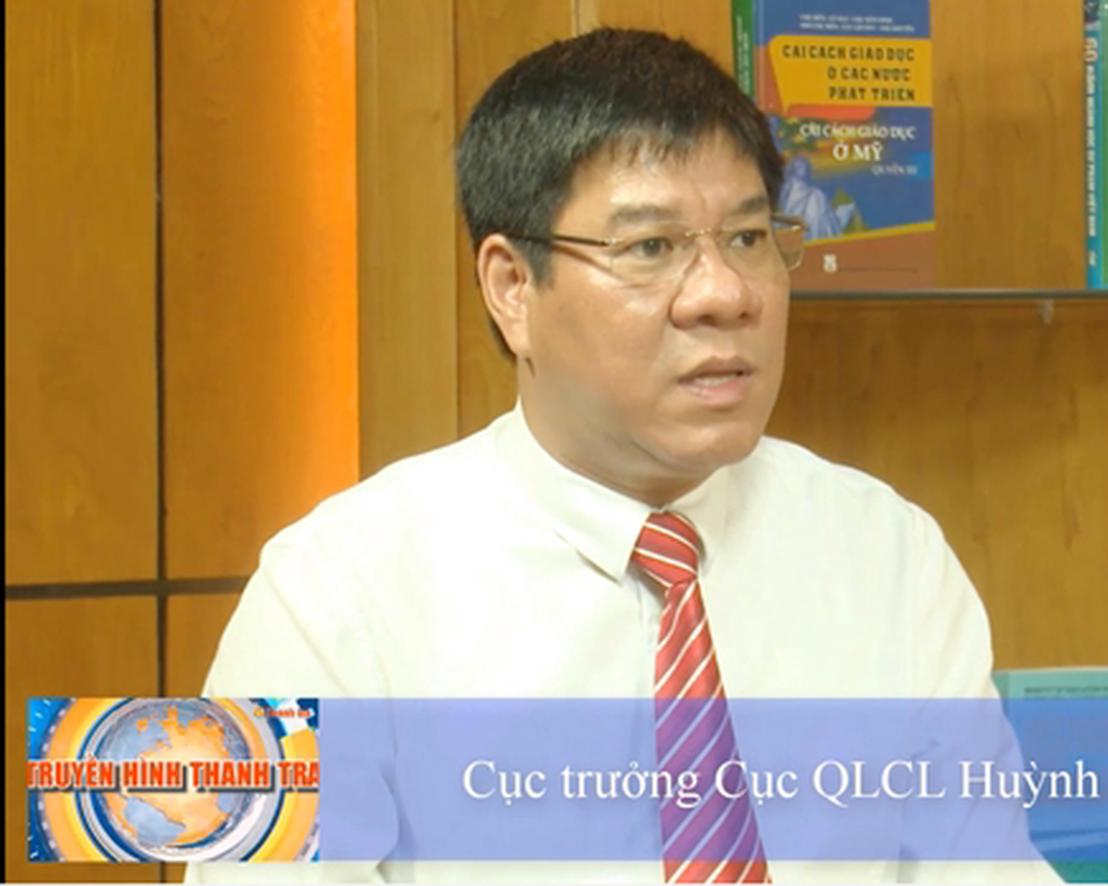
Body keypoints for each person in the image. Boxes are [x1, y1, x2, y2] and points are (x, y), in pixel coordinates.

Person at [195, 27, 1055, 884]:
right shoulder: (334, 593)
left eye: (749, 237)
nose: (724, 294)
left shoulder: (887, 553)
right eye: (651, 247)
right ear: (512, 288)